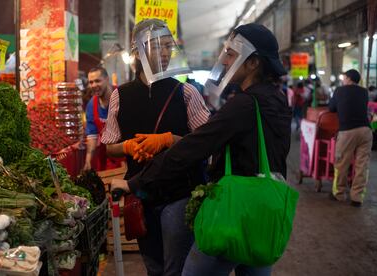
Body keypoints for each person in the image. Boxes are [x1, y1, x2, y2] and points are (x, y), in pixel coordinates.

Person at [112, 23, 292, 276]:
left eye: (231, 54)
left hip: (234, 210)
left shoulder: (243, 105)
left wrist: (133, 183)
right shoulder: (277, 100)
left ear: (253, 64)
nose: (225, 61)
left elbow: (192, 149)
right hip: (265, 212)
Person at [101, 19, 210, 276]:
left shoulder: (186, 93)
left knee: (175, 268)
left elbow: (206, 142)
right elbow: (109, 147)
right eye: (155, 45)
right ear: (137, 52)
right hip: (141, 195)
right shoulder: (121, 95)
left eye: (167, 46)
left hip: (179, 193)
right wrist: (127, 147)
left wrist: (169, 140)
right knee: (153, 267)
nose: (163, 52)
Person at [329, 69, 372, 207]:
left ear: (348, 78)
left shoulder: (339, 91)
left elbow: (331, 109)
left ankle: (339, 194)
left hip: (348, 131)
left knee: (341, 163)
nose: (342, 80)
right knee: (362, 165)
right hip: (366, 131)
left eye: (344, 77)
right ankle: (357, 197)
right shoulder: (364, 92)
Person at [83, 66, 114, 171]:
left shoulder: (122, 96)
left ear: (107, 79)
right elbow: (92, 136)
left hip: (127, 153)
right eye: (91, 82)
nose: (94, 85)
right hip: (106, 155)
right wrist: (88, 161)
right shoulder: (92, 105)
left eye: (97, 81)